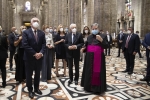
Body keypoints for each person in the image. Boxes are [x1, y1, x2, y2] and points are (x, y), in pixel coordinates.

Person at [80, 23, 108, 94]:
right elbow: (87, 46)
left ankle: (97, 88)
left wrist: (101, 40)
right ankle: (88, 87)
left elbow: (107, 46)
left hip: (98, 57)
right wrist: (84, 49)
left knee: (97, 72)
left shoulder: (103, 36)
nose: (94, 30)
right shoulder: (89, 37)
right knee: (89, 71)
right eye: (93, 29)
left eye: (96, 29)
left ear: (98, 29)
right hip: (89, 58)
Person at [22, 17, 46, 99]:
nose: (36, 22)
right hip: (29, 57)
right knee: (29, 74)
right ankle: (30, 90)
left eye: (37, 21)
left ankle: (36, 88)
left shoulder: (41, 33)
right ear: (31, 23)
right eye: (34, 21)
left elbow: (44, 44)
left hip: (39, 57)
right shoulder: (26, 32)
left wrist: (41, 53)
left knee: (37, 74)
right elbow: (25, 44)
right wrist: (35, 53)